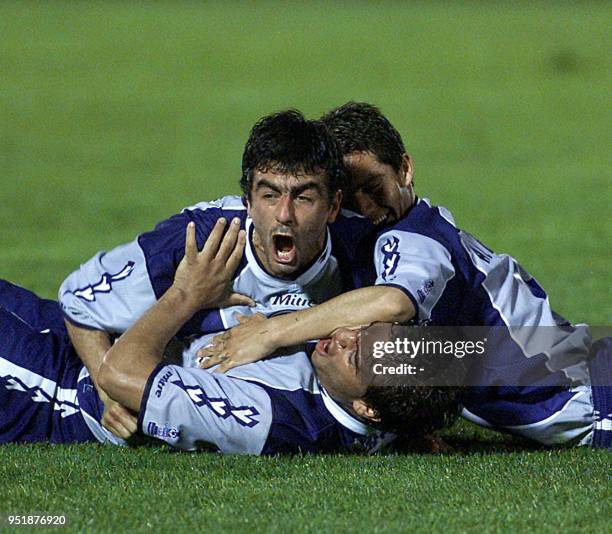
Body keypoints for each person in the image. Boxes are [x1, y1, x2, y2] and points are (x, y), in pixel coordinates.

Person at [200, 102, 611, 449]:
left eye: (373, 186)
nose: (363, 205)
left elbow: (393, 303)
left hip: (588, 396)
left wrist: (270, 333)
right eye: (349, 192)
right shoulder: (389, 234)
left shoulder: (416, 241)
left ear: (405, 170)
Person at [0, 221, 459, 453]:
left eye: (355, 357)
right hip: (53, 327)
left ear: (366, 408)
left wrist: (186, 293)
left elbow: (121, 375)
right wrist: (419, 429)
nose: (341, 337)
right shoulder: (387, 398)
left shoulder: (270, 418)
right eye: (362, 333)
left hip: (49, 388)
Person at [57, 109, 378, 433]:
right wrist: (106, 386)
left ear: (333, 206)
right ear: (248, 201)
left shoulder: (362, 252)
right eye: (269, 195)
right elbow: (77, 298)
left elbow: (420, 344)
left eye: (303, 197)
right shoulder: (201, 244)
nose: (284, 214)